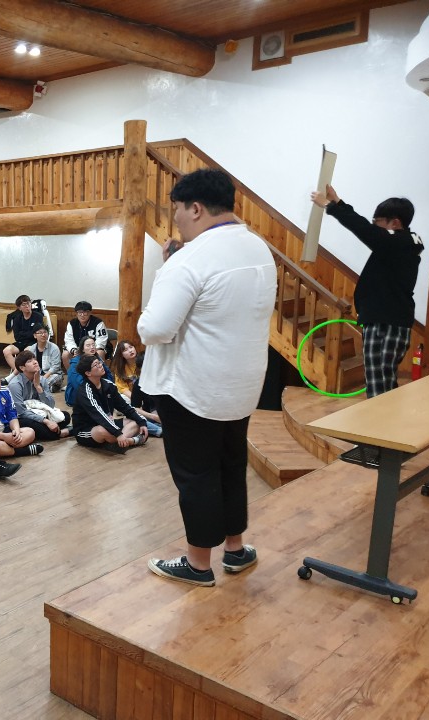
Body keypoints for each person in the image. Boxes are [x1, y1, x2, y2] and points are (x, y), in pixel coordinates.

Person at [139, 168, 276, 587]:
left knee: (197, 474)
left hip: (192, 389)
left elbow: (154, 329)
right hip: (241, 385)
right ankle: (235, 550)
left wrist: (168, 269)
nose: (176, 220)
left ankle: (198, 564)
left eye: (178, 210)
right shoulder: (258, 248)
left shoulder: (191, 259)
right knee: (231, 465)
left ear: (196, 208)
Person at [311, 185, 424, 397]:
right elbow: (368, 230)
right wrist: (338, 202)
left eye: (377, 221)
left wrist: (329, 206)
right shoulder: (400, 244)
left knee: (378, 384)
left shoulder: (398, 243)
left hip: (385, 322)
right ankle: (385, 418)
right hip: (388, 320)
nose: (374, 226)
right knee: (383, 380)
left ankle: (379, 419)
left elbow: (364, 229)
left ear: (395, 223)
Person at [72, 355, 148, 454]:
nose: (100, 365)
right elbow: (99, 415)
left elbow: (125, 407)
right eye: (96, 365)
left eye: (99, 362)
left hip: (108, 422)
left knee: (136, 421)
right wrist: (117, 433)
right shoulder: (85, 391)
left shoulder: (108, 385)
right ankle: (132, 441)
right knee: (102, 431)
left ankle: (118, 443)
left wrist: (141, 422)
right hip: (87, 430)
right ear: (88, 373)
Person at [8, 350, 71, 441]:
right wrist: (45, 421)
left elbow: (50, 405)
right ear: (22, 368)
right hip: (22, 417)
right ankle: (61, 433)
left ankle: (50, 432)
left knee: (66, 416)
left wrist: (38, 387)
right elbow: (21, 412)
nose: (35, 362)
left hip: (40, 412)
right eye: (29, 361)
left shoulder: (42, 380)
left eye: (34, 359)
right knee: (43, 430)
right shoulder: (15, 384)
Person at [110, 341, 162, 437]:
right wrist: (136, 398)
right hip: (134, 397)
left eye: (131, 347)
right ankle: (159, 430)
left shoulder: (159, 376)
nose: (130, 350)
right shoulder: (124, 371)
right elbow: (122, 388)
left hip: (160, 408)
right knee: (134, 416)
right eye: (126, 350)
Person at [65, 336, 112, 407]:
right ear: (82, 349)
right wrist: (97, 392)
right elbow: (78, 384)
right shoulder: (75, 363)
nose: (92, 347)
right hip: (79, 396)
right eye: (88, 345)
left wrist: (108, 389)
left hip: (98, 392)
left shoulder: (98, 358)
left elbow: (108, 374)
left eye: (93, 345)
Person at [3, 294, 45, 372]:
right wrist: (30, 333)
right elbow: (17, 337)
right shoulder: (17, 319)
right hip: (21, 342)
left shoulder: (38, 316)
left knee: (27, 351)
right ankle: (18, 372)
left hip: (33, 342)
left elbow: (36, 334)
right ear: (19, 308)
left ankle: (26, 373)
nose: (27, 306)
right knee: (6, 351)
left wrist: (23, 333)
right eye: (24, 304)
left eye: (28, 303)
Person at [63, 301, 110, 370]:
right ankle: (73, 374)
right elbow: (68, 340)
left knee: (100, 353)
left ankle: (99, 375)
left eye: (85, 312)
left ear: (90, 313)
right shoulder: (71, 323)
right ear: (76, 313)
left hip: (94, 348)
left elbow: (101, 340)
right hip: (78, 349)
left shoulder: (98, 322)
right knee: (65, 355)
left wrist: (89, 349)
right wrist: (74, 350)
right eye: (80, 312)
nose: (82, 315)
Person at [27, 325, 63, 392]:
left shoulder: (54, 348)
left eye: (45, 332)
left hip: (52, 374)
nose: (43, 335)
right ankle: (49, 388)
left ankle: (39, 387)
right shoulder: (32, 348)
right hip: (38, 374)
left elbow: (55, 367)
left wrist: (43, 378)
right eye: (40, 333)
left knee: (55, 377)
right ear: (35, 335)